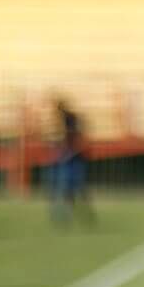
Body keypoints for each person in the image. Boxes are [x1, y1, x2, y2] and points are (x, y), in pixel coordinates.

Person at [48, 95, 94, 225]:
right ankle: (71, 214)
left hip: (75, 158)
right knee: (68, 186)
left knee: (78, 186)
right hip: (69, 157)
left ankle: (85, 212)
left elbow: (78, 139)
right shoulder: (64, 121)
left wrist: (71, 152)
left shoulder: (71, 119)